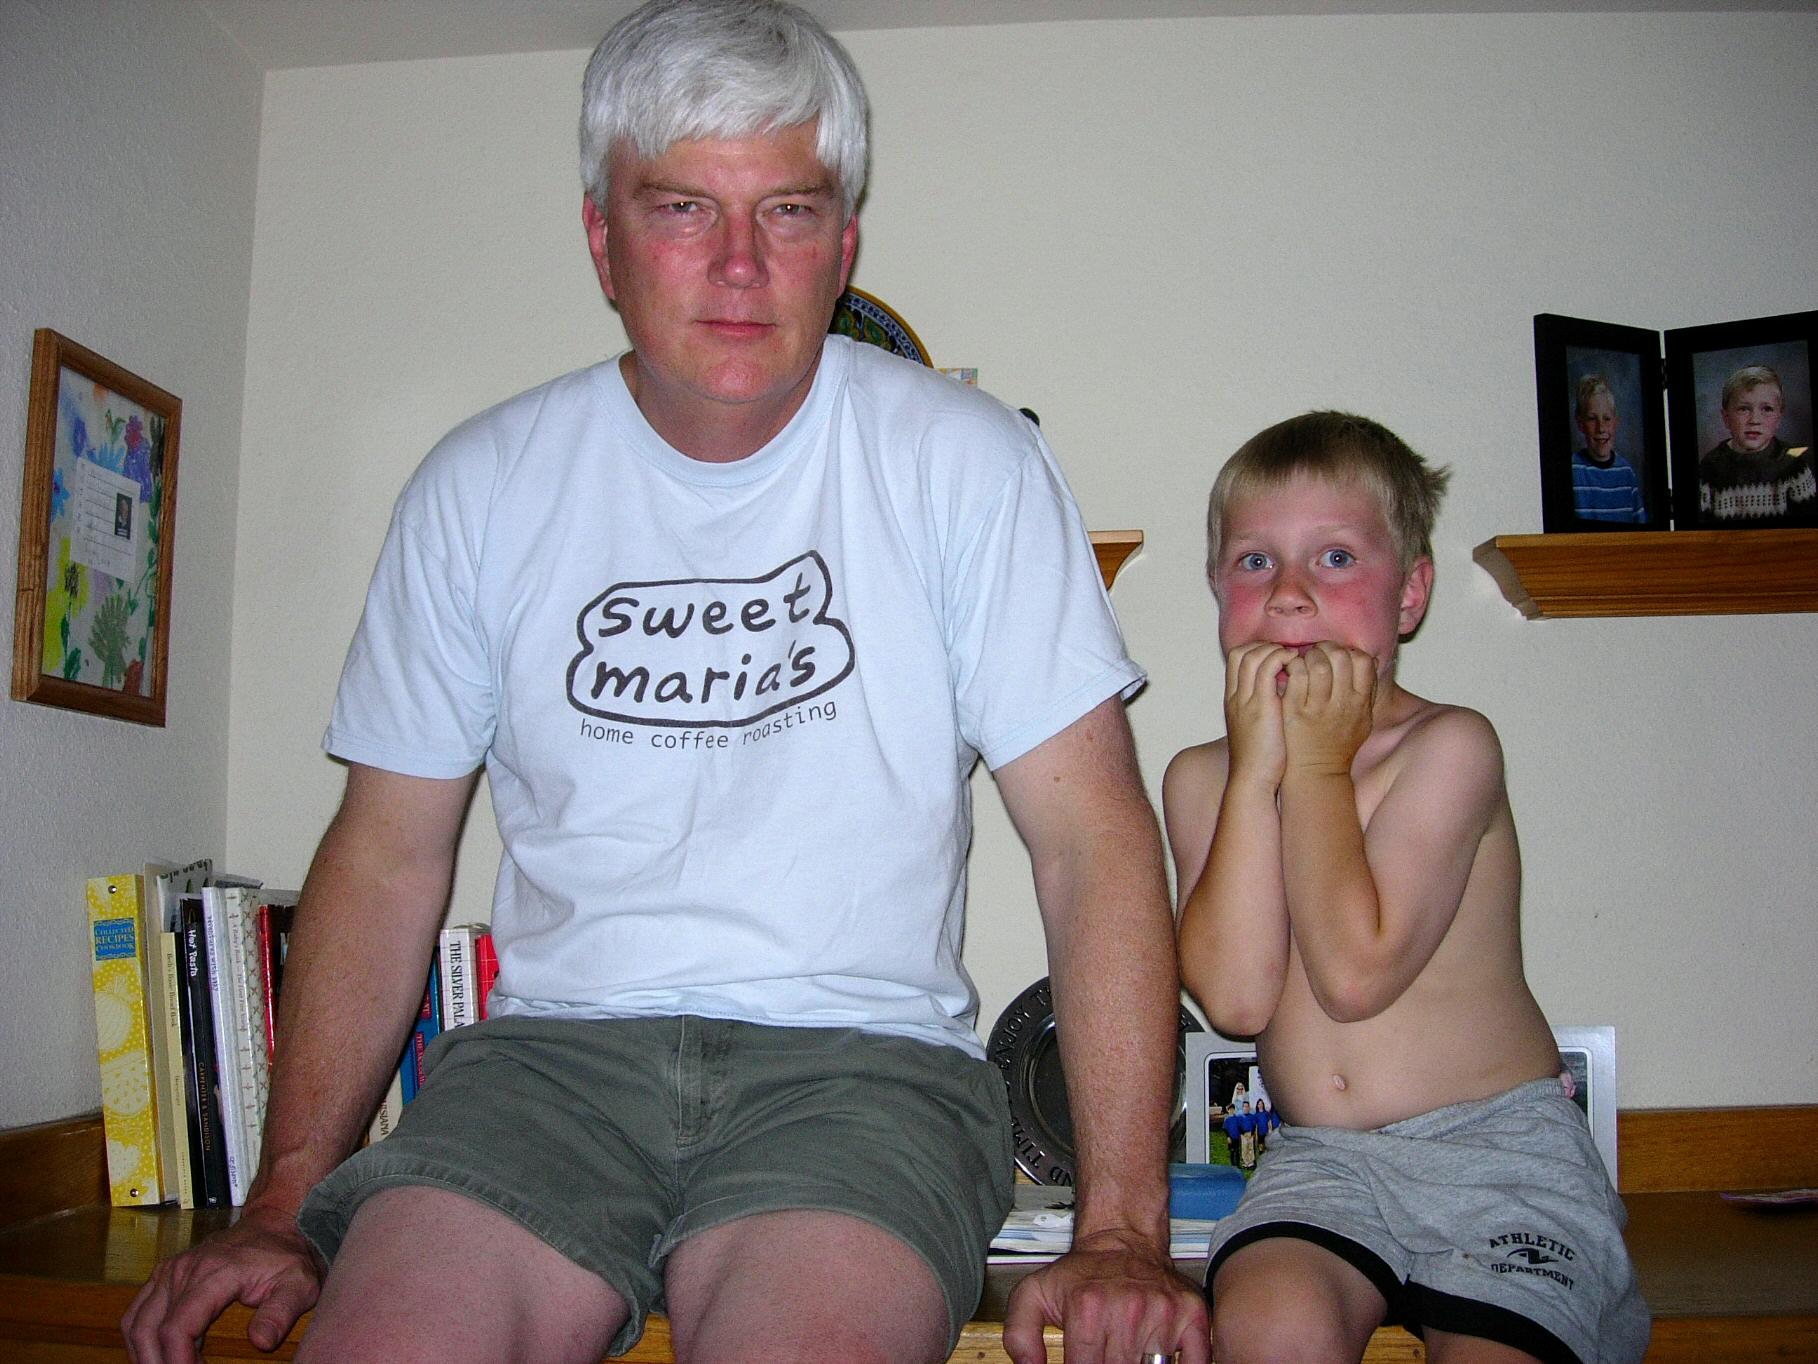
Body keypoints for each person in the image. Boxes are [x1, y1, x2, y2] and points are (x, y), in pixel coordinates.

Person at [120, 3, 1205, 1362]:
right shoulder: (481, 486)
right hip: (547, 1072)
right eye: (683, 207)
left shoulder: (969, 466)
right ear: (603, 241)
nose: (740, 264)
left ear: (844, 244)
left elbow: (1094, 842)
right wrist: (281, 1201)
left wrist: (1122, 1227)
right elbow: (388, 852)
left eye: (789, 211)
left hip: (860, 1078)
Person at [1164, 411, 1648, 1364]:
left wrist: (1313, 765)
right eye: (1255, 562)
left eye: (1336, 558)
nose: (1290, 593)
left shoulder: (1450, 748)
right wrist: (1256, 774)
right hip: (1321, 1162)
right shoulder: (1202, 777)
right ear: (1218, 588)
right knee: (1266, 1325)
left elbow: (1355, 974)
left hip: (1499, 1155)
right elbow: (1235, 999)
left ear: (1412, 595)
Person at [1699, 364, 1816, 526]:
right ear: (1726, 418)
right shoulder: (1710, 467)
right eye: (1744, 409)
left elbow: (1810, 528)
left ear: (1779, 418)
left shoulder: (1793, 464)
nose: (1754, 420)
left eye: (1767, 409)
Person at [1564, 375, 1645, 524]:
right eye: (1592, 419)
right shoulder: (1573, 470)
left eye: (1607, 418)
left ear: (1615, 422)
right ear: (1581, 424)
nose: (1601, 428)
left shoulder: (1626, 472)